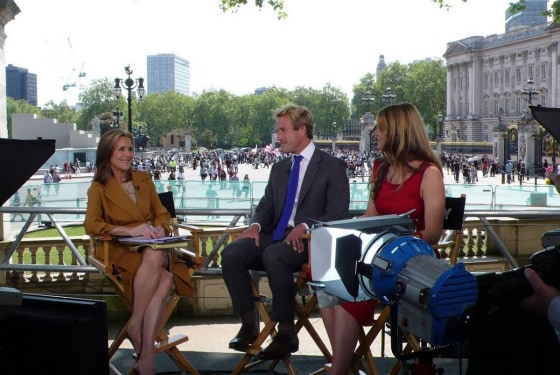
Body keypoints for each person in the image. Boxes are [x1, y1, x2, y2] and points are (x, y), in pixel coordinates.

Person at [318, 103, 445, 375]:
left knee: (348, 288)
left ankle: (339, 369)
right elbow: (371, 216)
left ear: (398, 132)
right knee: (326, 284)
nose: (375, 132)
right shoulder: (381, 168)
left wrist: (389, 246)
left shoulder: (429, 173)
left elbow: (434, 231)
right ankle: (345, 365)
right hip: (377, 257)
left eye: (381, 128)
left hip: (413, 260)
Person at [221, 104, 349, 360]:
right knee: (232, 253)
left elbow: (338, 214)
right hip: (274, 236)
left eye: (283, 130)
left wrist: (304, 226)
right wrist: (255, 226)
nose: (278, 137)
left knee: (275, 256)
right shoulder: (280, 168)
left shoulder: (332, 166)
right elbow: (266, 206)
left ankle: (286, 331)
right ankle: (248, 325)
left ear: (302, 130)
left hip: (309, 244)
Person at [84, 129, 193, 375]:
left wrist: (156, 227)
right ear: (108, 153)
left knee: (155, 255)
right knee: (165, 279)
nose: (127, 154)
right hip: (122, 251)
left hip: (153, 247)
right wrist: (129, 229)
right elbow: (92, 225)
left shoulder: (143, 179)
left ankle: (136, 326)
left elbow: (161, 213)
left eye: (130, 149)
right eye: (121, 149)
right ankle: (147, 358)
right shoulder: (98, 188)